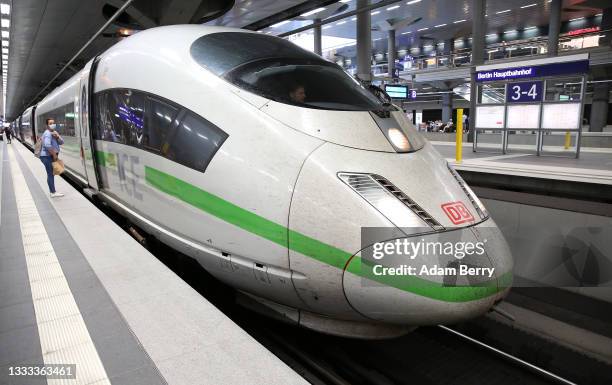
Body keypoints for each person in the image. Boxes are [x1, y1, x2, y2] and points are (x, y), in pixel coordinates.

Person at [39, 118, 65, 198]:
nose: (52, 124)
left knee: (50, 174)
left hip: (48, 156)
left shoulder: (54, 132)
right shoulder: (47, 133)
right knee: (50, 174)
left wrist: (57, 137)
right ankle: (53, 192)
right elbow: (47, 145)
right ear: (47, 125)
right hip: (47, 156)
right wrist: (54, 155)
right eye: (50, 123)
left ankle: (52, 191)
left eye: (53, 123)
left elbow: (62, 142)